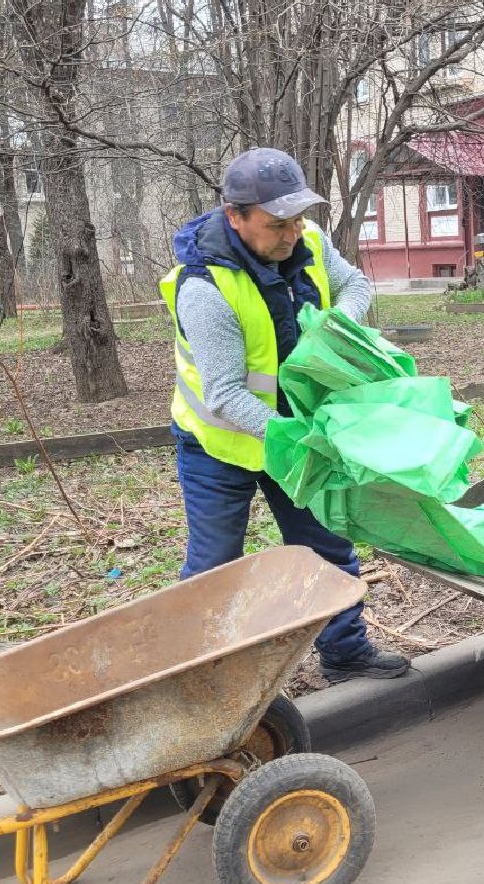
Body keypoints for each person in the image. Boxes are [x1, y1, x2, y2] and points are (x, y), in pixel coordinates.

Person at [160, 147, 409, 683]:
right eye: (277, 225)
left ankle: (345, 654)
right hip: (219, 447)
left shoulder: (309, 239)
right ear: (235, 217)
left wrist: (336, 327)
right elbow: (224, 393)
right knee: (214, 568)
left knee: (325, 546)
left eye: (296, 218)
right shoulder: (205, 288)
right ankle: (200, 679)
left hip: (294, 433)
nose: (292, 233)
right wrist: (293, 437)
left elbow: (356, 284)